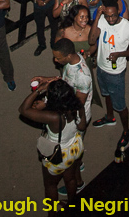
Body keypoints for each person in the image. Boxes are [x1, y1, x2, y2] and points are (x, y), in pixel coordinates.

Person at [36, 38, 93, 196]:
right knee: (73, 152)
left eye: (57, 57)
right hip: (69, 114)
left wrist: (47, 106)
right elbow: (67, 82)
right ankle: (76, 167)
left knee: (71, 148)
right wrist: (49, 80)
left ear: (68, 56)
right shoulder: (72, 61)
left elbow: (76, 105)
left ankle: (78, 181)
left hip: (76, 119)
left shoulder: (83, 77)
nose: (55, 60)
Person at [18, 79, 85, 210]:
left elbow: (23, 109)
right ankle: (71, 206)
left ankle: (52, 213)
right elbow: (82, 126)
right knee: (70, 179)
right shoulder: (77, 106)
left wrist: (38, 91)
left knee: (50, 185)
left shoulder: (54, 117)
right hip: (75, 148)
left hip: (60, 155)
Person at [86, 0, 129, 162]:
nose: (110, 19)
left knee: (120, 104)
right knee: (106, 94)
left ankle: (126, 130)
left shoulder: (128, 28)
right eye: (107, 16)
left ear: (119, 13)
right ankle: (109, 117)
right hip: (101, 68)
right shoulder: (102, 20)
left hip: (116, 73)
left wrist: (119, 54)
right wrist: (97, 17)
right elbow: (91, 40)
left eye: (113, 16)